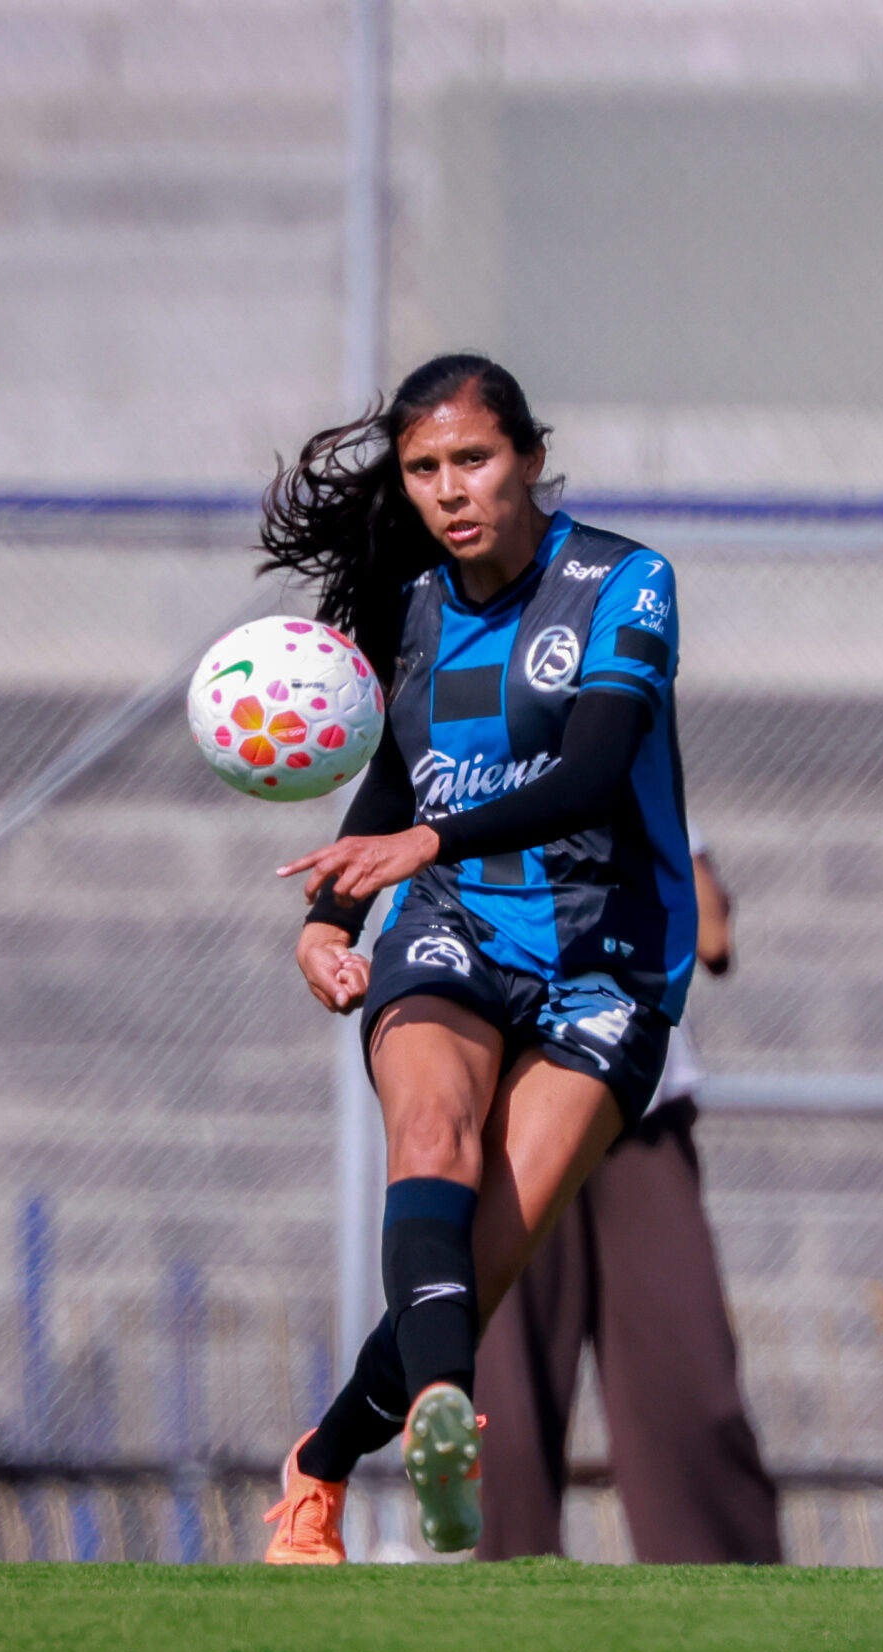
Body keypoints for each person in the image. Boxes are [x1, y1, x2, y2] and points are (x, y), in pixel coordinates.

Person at [249, 352, 697, 1563]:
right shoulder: (410, 609)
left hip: (612, 961)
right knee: (430, 1141)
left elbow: (596, 767)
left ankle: (322, 1463)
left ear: (532, 459)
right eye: (425, 469)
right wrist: (328, 922)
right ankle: (447, 1411)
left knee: (473, 1266)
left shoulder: (622, 581)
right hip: (451, 922)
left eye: (474, 460)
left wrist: (422, 837)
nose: (451, 489)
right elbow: (397, 777)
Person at [475, 829, 783, 1564]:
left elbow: (711, 932)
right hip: (507, 1110)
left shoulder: (625, 747)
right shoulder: (460, 765)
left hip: (633, 1113)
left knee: (688, 1384)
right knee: (505, 1404)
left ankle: (726, 1608)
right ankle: (506, 1614)